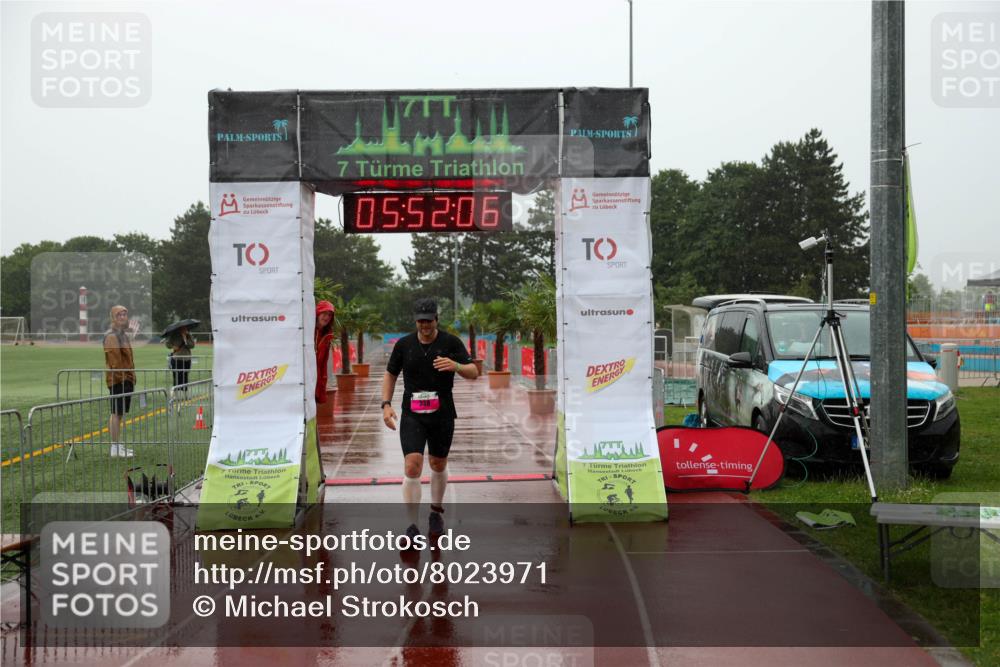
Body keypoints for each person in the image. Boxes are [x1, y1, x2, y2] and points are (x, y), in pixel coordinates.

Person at [381, 298, 477, 542]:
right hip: (412, 414)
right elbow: (390, 374)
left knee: (437, 463)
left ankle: (435, 512)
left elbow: (474, 372)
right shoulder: (404, 345)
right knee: (412, 465)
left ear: (436, 319)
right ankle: (411, 525)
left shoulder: (450, 342)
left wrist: (455, 365)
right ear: (415, 321)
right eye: (420, 321)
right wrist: (386, 405)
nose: (424, 325)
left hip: (442, 414)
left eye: (429, 320)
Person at [104, 305, 136, 458]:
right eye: (119, 315)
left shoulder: (121, 335)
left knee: (119, 413)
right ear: (113, 318)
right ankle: (115, 447)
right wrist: (123, 379)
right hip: (119, 380)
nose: (123, 317)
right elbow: (115, 362)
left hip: (125, 379)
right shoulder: (112, 336)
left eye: (125, 314)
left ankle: (117, 445)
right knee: (116, 413)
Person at [315, 300, 336, 405]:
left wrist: (322, 385)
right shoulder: (307, 331)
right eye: (324, 313)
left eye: (329, 315)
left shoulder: (327, 335)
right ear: (317, 313)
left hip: (317, 377)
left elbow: (323, 364)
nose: (327, 317)